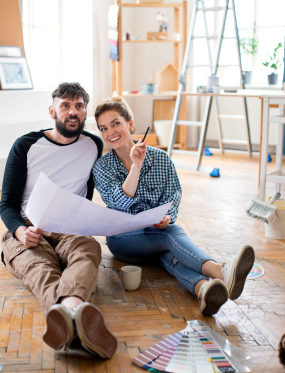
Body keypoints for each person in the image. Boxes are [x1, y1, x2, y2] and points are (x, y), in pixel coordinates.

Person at [92, 97, 255, 315]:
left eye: (115, 123)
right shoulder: (102, 167)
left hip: (156, 235)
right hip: (122, 239)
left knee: (169, 254)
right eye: (103, 128)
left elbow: (173, 195)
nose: (110, 132)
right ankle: (221, 271)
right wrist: (136, 167)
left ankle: (204, 290)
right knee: (171, 234)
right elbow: (119, 202)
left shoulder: (161, 158)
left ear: (130, 124)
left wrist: (167, 216)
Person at [0, 83, 117, 359]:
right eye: (65, 105)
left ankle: (70, 313)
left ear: (85, 111)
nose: (72, 112)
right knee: (38, 267)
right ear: (52, 110)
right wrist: (18, 231)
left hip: (69, 225)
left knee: (88, 252)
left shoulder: (93, 145)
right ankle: (77, 318)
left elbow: (86, 193)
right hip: (30, 225)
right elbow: (6, 204)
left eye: (78, 106)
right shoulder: (26, 145)